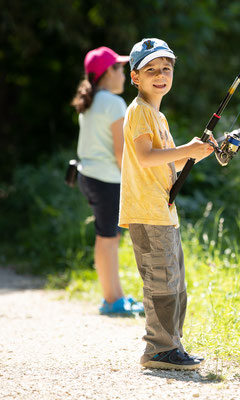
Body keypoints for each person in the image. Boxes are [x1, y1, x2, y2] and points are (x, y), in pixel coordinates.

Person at [119, 38, 215, 370]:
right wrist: (187, 150)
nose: (160, 75)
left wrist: (198, 153)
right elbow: (146, 158)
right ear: (135, 77)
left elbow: (169, 165)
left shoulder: (158, 117)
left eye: (166, 68)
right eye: (151, 70)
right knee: (162, 284)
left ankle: (171, 345)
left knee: (174, 285)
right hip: (147, 212)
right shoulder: (141, 112)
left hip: (162, 211)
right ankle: (159, 350)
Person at [71, 46, 144, 316]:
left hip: (89, 177)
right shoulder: (114, 103)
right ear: (107, 73)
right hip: (107, 180)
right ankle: (113, 300)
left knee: (106, 236)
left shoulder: (90, 102)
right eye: (120, 68)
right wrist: (134, 180)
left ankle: (112, 297)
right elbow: (119, 152)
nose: (124, 73)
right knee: (109, 238)